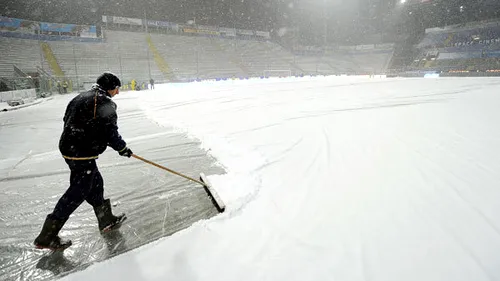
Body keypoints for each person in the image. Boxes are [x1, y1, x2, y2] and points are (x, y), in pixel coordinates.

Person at [34, 72, 133, 251]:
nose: (117, 92)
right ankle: (46, 236)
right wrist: (122, 148)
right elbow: (109, 131)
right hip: (82, 152)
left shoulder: (80, 97)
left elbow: (67, 120)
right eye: (117, 88)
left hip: (69, 148)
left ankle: (106, 220)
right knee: (77, 192)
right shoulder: (105, 102)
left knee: (95, 182)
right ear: (110, 87)